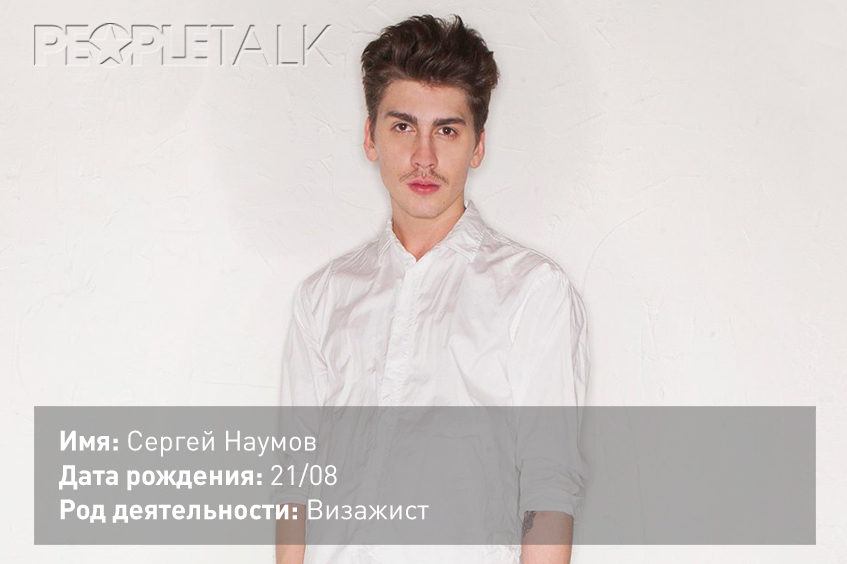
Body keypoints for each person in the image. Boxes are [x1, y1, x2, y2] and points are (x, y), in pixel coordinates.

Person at [275, 14, 589, 564]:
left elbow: (549, 486)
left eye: (447, 130)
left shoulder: (533, 291)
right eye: (403, 127)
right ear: (370, 138)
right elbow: (293, 482)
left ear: (478, 145)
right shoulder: (324, 298)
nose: (424, 157)